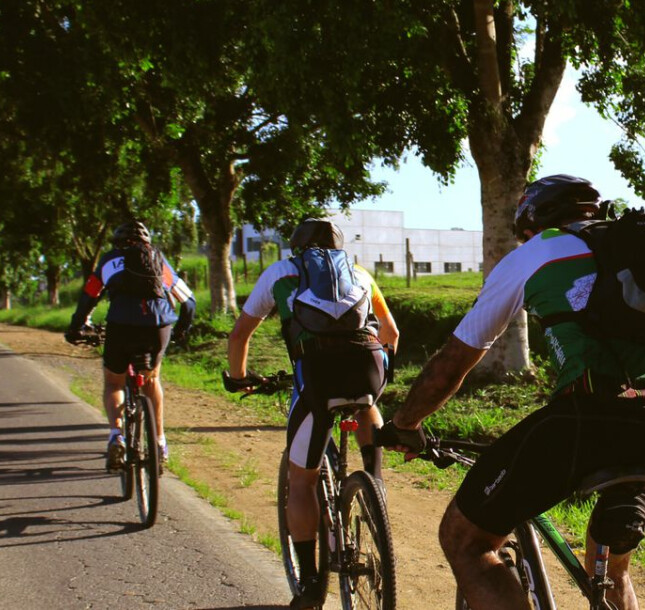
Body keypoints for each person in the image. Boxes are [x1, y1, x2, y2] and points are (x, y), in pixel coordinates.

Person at [379, 174, 645, 610]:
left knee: (465, 540)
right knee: (611, 567)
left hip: (590, 415)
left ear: (531, 223)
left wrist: (406, 423)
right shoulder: (644, 252)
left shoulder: (535, 252)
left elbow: (454, 361)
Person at [224, 217, 399, 610]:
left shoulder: (281, 272)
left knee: (301, 481)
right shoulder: (359, 273)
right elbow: (391, 332)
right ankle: (374, 481)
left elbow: (239, 334)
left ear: (297, 247)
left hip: (317, 373)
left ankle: (309, 585)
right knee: (366, 403)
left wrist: (238, 378)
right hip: (369, 366)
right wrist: (387, 372)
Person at [65, 219, 196, 469]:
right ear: (147, 243)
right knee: (151, 380)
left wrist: (76, 327)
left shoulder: (109, 260)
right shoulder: (159, 261)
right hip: (158, 326)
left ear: (118, 243)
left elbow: (89, 296)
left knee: (114, 382)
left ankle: (117, 436)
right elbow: (189, 302)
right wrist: (179, 331)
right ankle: (159, 442)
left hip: (121, 325)